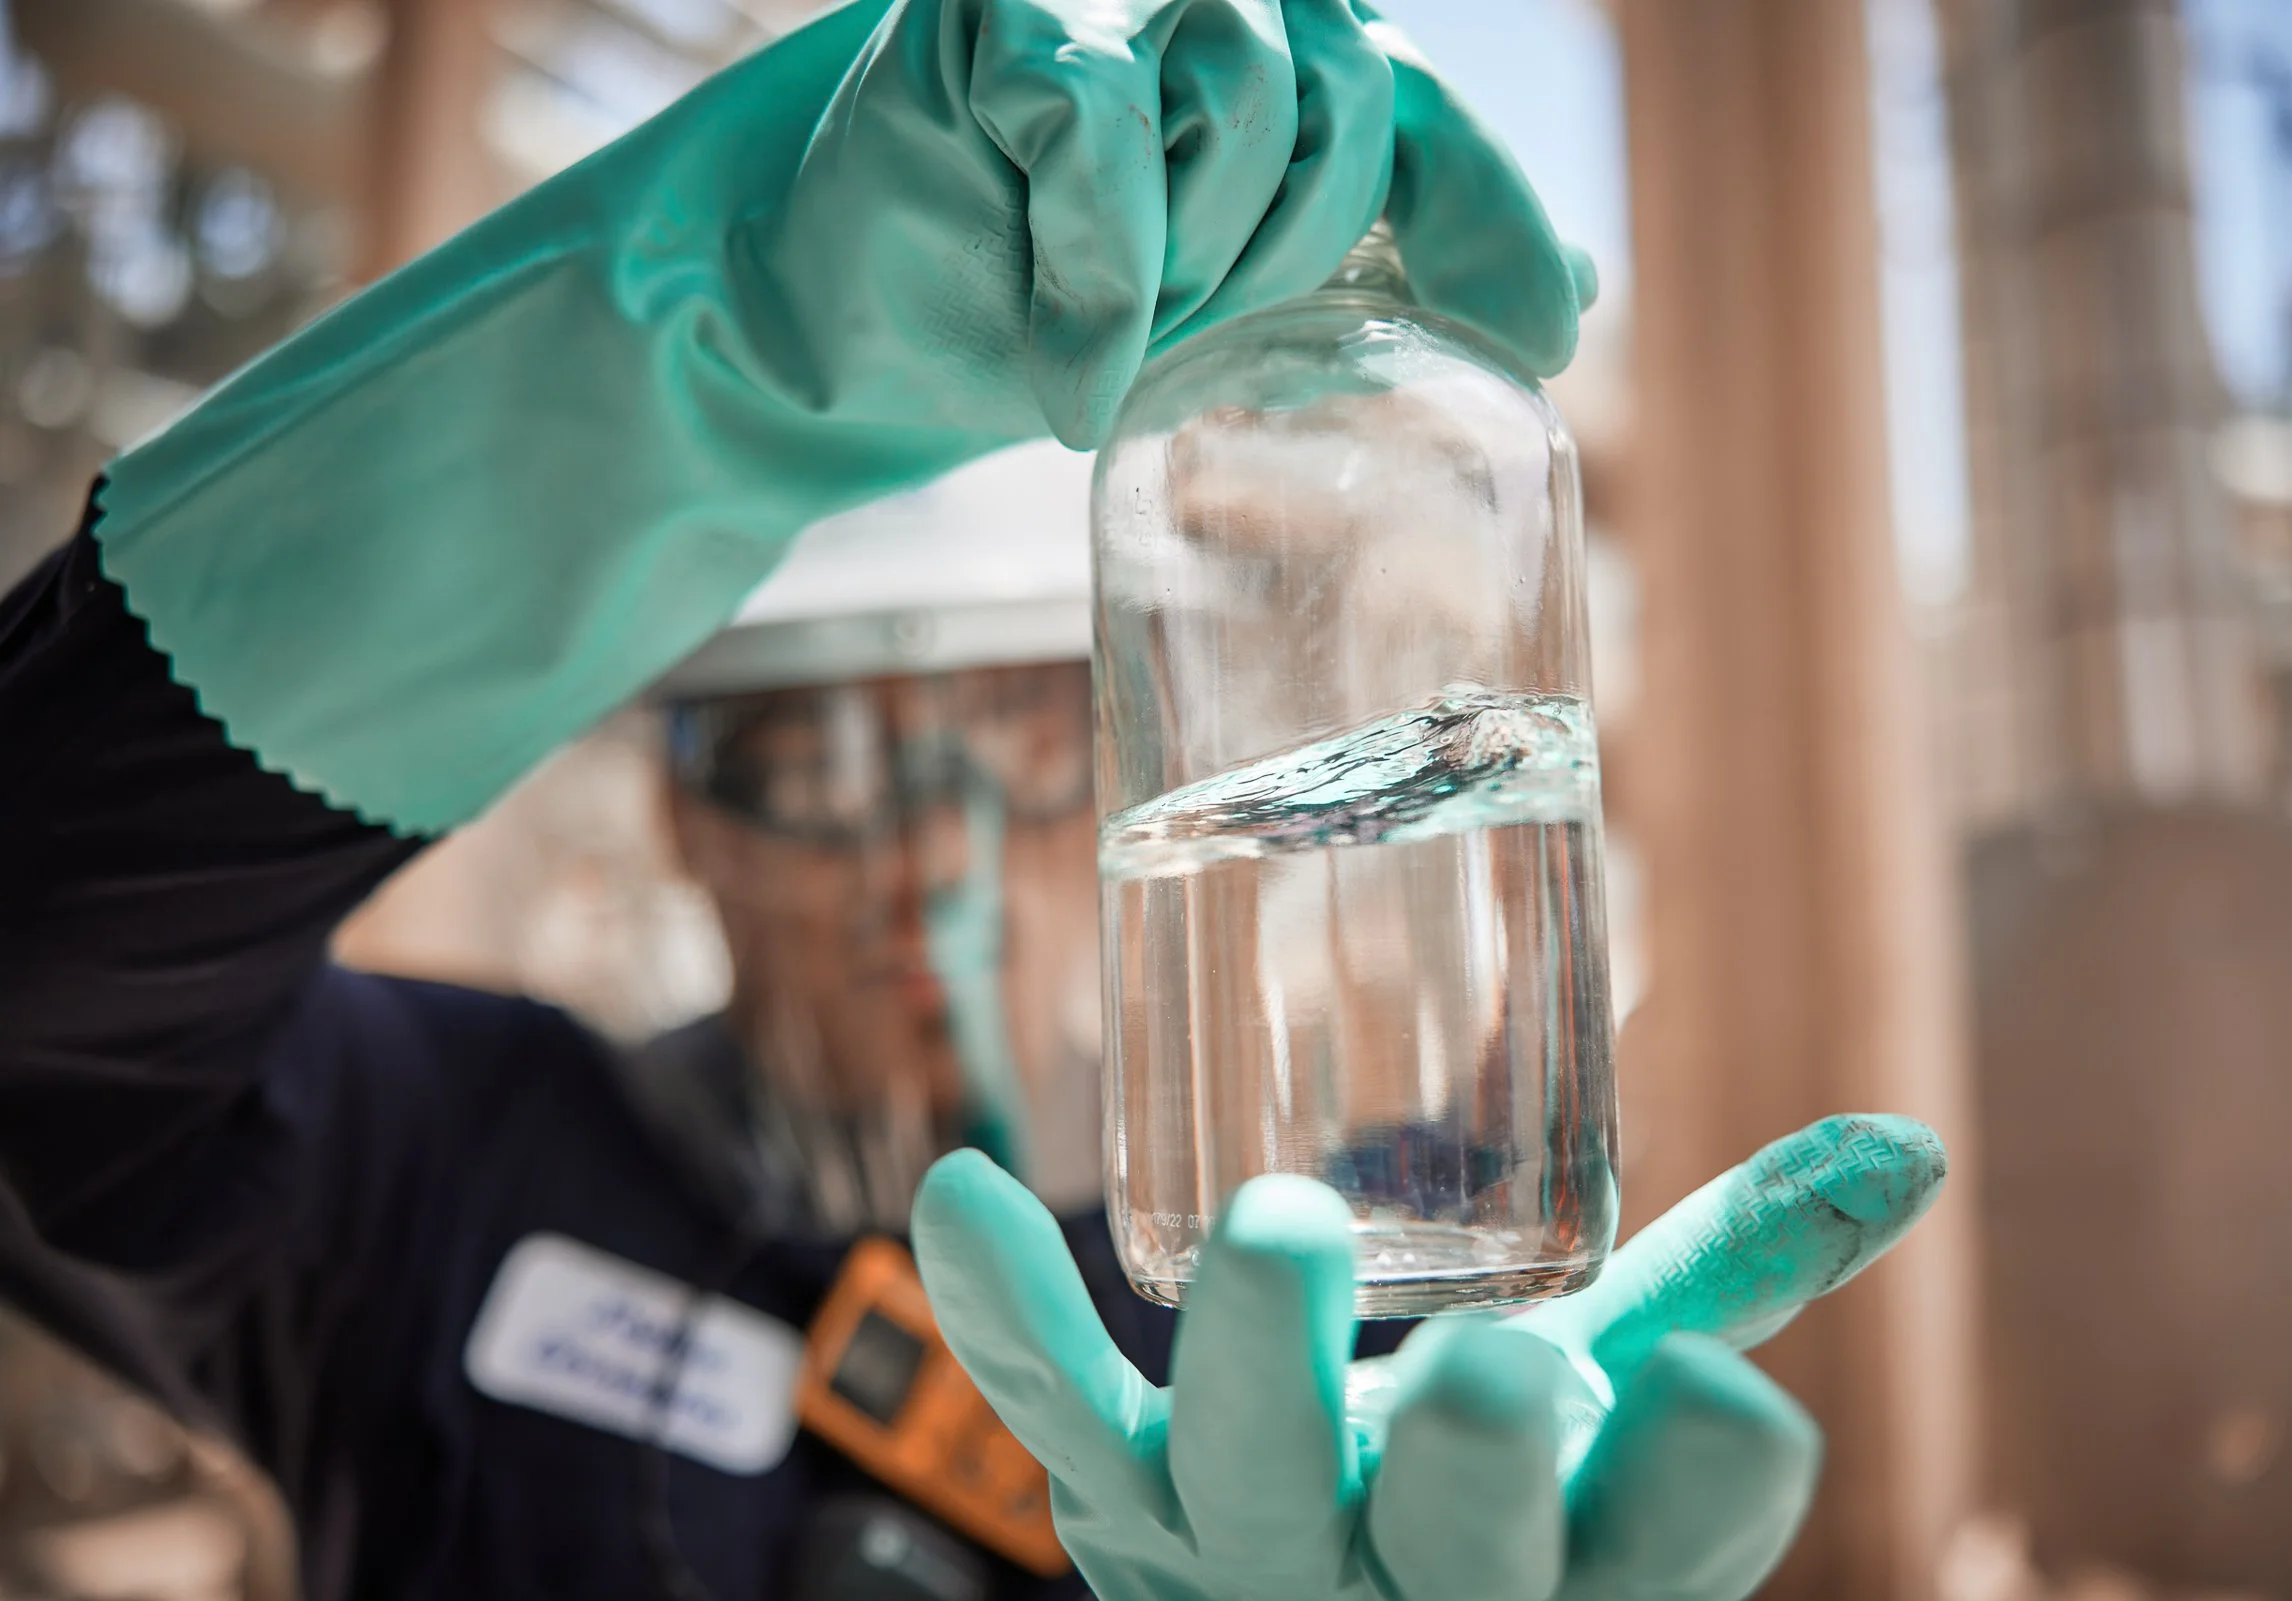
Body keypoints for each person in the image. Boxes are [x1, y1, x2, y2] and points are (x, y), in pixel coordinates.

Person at [0, 3, 1949, 1598]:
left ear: (1141, 764)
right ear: (686, 818)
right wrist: (688, 351)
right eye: (820, 772)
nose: (927, 855)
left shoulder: (1352, 1281)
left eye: (1018, 754)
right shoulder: (430, 1166)